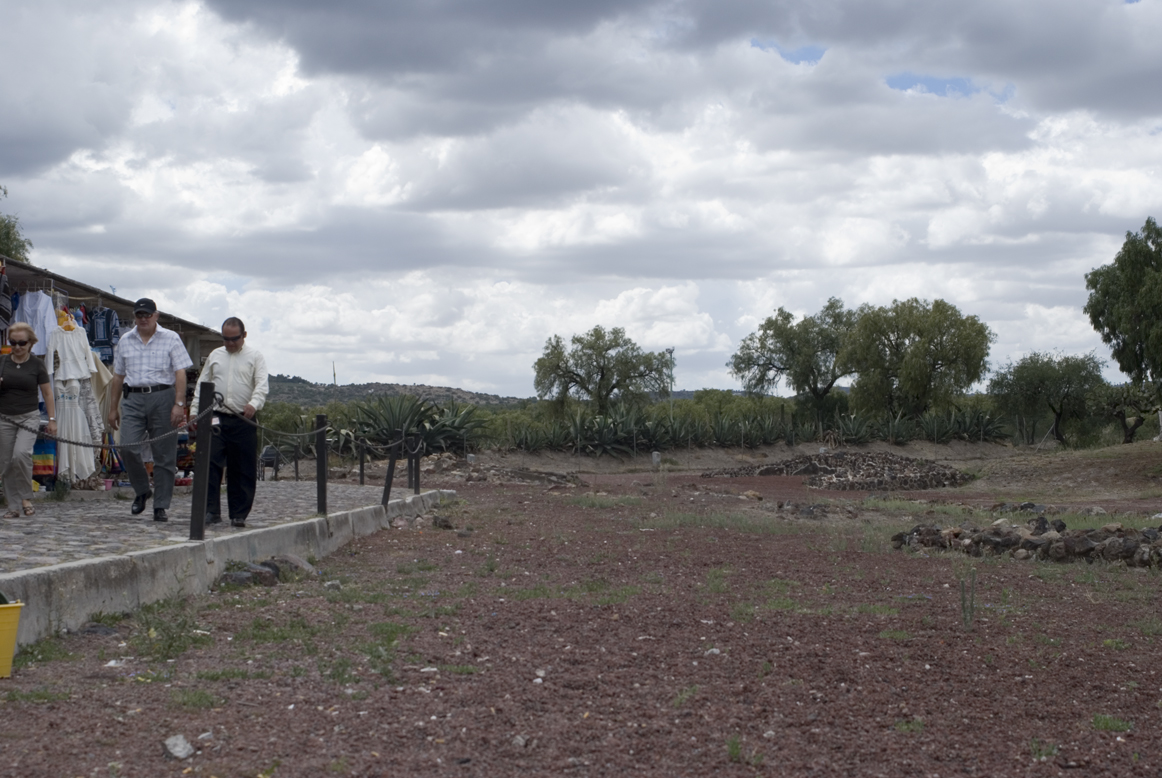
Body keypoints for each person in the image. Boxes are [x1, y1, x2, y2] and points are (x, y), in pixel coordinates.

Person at [108, 298, 192, 522]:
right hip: (133, 397)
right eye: (139, 315)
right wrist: (112, 408)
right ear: (134, 317)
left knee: (164, 454)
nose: (143, 319)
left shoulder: (171, 338)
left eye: (147, 315)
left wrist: (179, 404)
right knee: (128, 447)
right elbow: (117, 376)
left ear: (156, 315)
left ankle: (161, 505)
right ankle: (142, 490)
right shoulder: (125, 340)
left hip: (163, 395)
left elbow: (180, 373)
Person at [189, 317, 268, 527]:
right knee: (210, 464)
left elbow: (261, 384)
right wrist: (194, 411)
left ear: (244, 336)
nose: (230, 343)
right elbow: (202, 383)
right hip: (216, 416)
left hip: (244, 418)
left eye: (234, 339)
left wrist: (254, 403)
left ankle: (239, 513)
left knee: (242, 467)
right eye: (226, 339)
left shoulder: (255, 356)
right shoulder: (215, 355)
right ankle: (211, 510)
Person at [0, 322, 57, 517]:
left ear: (30, 343)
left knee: (21, 454)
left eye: (21, 343)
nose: (17, 347)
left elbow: (48, 394)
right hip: (4, 417)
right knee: (6, 462)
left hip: (28, 417)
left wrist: (51, 419)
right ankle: (13, 506)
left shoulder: (36, 364)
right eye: (13, 342)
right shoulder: (2, 362)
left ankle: (26, 497)